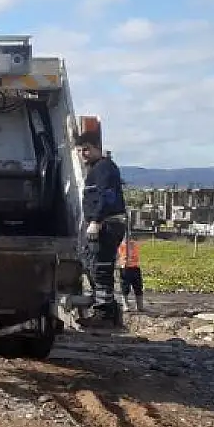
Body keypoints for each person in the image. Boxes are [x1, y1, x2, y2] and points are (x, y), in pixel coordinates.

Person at [75, 134, 128, 327]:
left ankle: (104, 314)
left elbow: (108, 196)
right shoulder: (96, 169)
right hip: (104, 223)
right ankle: (110, 312)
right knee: (92, 263)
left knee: (100, 267)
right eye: (80, 150)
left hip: (106, 224)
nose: (83, 154)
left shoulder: (104, 168)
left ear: (98, 147)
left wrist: (96, 221)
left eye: (87, 149)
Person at [118, 233, 145, 312]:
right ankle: (125, 305)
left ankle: (139, 306)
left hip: (135, 267)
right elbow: (118, 255)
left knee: (138, 286)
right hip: (125, 268)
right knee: (125, 287)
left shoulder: (135, 245)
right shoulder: (121, 245)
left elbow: (136, 253)